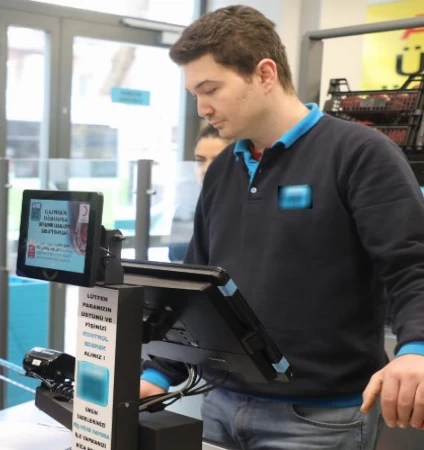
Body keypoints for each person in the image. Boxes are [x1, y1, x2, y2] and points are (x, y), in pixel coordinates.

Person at [140, 6, 424, 450]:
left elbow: (413, 267)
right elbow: (194, 285)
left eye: (210, 89)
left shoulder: (359, 154)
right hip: (219, 404)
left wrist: (417, 350)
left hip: (318, 419)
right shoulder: (223, 170)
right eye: (195, 93)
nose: (203, 107)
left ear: (265, 73)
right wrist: (159, 373)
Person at [168, 124, 230, 261]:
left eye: (217, 160)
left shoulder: (243, 211)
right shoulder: (185, 211)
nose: (206, 169)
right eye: (200, 161)